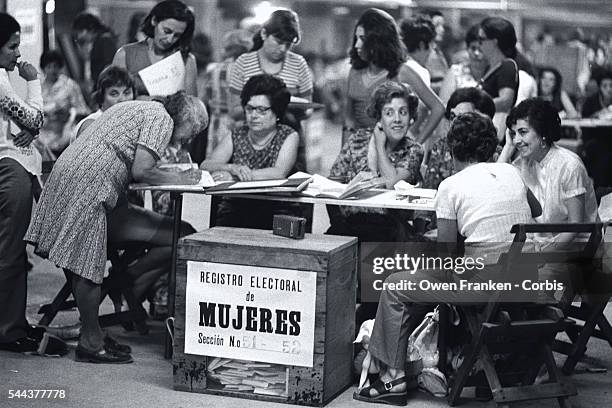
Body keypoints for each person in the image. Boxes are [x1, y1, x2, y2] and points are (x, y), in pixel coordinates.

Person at [354, 113, 540, 405]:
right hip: (526, 275)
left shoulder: (451, 185)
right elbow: (536, 211)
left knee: (394, 284)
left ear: (453, 149)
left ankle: (392, 379)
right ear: (490, 147)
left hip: (485, 281)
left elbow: (447, 256)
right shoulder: (510, 172)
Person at [26, 92, 208, 363]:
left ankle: (99, 323)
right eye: (192, 131)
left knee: (178, 234)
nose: (188, 139)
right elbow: (142, 171)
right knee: (86, 264)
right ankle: (90, 341)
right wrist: (182, 177)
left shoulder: (140, 107)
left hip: (73, 182)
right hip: (87, 188)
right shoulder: (162, 118)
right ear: (182, 118)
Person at [328, 81, 423, 242]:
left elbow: (392, 183)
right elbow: (332, 185)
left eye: (403, 112)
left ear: (411, 117)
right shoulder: (357, 140)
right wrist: (338, 223)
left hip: (389, 231)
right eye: (389, 113)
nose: (397, 119)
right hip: (349, 227)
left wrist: (379, 144)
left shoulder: (413, 150)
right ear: (378, 117)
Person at [0, 12, 45, 353]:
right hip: (9, 167)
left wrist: (28, 126)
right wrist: (35, 82)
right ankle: (10, 329)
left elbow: (21, 121)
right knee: (11, 252)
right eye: (13, 46)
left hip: (11, 163)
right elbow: (33, 117)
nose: (18, 54)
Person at [201, 74, 299, 229]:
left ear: (277, 112)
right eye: (249, 108)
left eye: (261, 110)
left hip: (276, 208)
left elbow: (278, 172)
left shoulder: (289, 135)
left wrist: (234, 177)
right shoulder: (237, 133)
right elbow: (206, 165)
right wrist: (231, 167)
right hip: (236, 207)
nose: (253, 116)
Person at [499, 98, 598, 246]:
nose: (516, 140)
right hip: (540, 247)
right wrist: (507, 148)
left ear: (543, 132)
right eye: (513, 134)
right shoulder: (523, 162)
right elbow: (493, 188)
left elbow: (574, 228)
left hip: (575, 251)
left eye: (523, 132)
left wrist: (544, 256)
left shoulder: (569, 165)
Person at [344, 8, 444, 146]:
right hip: (358, 152)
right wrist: (344, 154)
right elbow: (349, 120)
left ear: (378, 41)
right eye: (356, 38)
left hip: (391, 154)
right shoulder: (355, 71)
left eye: (363, 39)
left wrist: (415, 146)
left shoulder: (402, 72)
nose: (357, 45)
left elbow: (438, 108)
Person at [228, 8, 312, 172]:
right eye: (279, 42)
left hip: (289, 139)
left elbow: (308, 108)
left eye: (288, 44)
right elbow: (234, 110)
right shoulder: (244, 63)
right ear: (264, 34)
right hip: (252, 141)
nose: (282, 49)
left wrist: (286, 107)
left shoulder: (298, 63)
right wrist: (263, 108)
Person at [112, 0, 197, 97]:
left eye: (177, 35)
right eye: (166, 31)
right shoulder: (125, 55)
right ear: (154, 21)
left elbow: (191, 107)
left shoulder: (186, 60)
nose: (170, 40)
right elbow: (113, 101)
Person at [423, 87, 496, 191]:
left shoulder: (494, 151)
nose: (455, 124)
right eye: (452, 116)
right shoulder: (441, 147)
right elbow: (428, 190)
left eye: (462, 118)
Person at [203, 29, 253, 156]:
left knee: (216, 162)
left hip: (217, 122)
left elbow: (206, 96)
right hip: (238, 122)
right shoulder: (245, 69)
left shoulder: (215, 68)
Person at [36, 49, 90, 160]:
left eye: (55, 66)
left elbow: (83, 110)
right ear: (43, 67)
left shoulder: (69, 85)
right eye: (48, 66)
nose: (52, 70)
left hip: (63, 135)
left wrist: (67, 114)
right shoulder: (37, 86)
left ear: (60, 67)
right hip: (41, 136)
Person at [477, 17, 519, 140]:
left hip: (495, 135)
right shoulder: (490, 68)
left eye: (481, 39)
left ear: (494, 41)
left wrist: (474, 105)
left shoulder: (507, 66)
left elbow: (506, 100)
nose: (479, 45)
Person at [73, 65, 136, 138]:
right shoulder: (91, 125)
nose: (122, 99)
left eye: (127, 93)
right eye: (114, 94)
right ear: (101, 97)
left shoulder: (130, 122)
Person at [438, 25, 487, 104]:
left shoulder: (496, 73)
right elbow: (443, 105)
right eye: (473, 48)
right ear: (467, 48)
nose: (476, 53)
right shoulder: (455, 72)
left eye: (481, 50)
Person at [581, 69, 612, 188]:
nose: (609, 89)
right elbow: (585, 123)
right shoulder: (591, 102)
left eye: (611, 85)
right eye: (605, 86)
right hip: (595, 141)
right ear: (599, 87)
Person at [72, 12, 117, 92]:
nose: (79, 36)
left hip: (104, 88)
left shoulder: (105, 40)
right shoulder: (98, 41)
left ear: (89, 29)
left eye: (80, 32)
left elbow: (109, 66)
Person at [423, 10, 449, 94]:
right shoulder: (423, 53)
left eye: (442, 25)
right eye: (437, 25)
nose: (442, 29)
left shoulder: (438, 51)